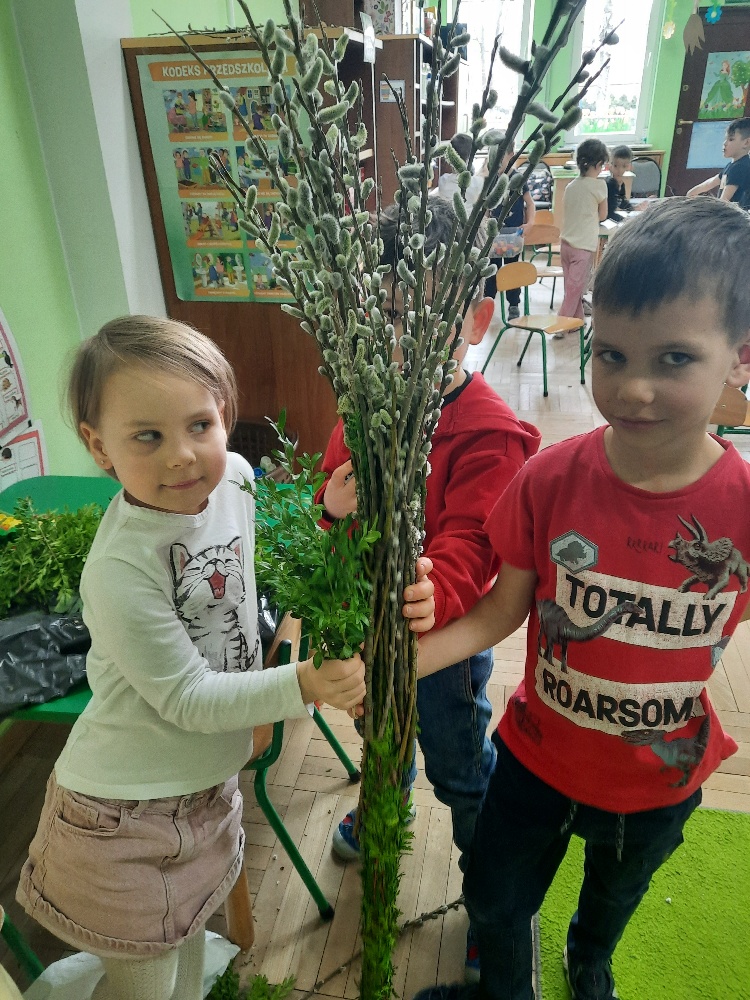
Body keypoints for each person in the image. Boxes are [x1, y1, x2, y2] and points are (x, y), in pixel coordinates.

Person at [412, 197, 750, 1000]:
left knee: (613, 897)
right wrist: (399, 664)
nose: (633, 389)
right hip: (534, 760)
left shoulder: (742, 507)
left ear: (740, 359)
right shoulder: (548, 479)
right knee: (494, 898)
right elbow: (501, 612)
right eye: (611, 355)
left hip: (659, 779)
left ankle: (588, 959)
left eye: (673, 359)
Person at [14, 316, 393, 1000]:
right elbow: (188, 698)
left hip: (205, 784)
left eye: (199, 425)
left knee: (190, 948)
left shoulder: (237, 479)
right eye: (148, 436)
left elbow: (259, 566)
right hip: (123, 811)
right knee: (146, 983)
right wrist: (304, 683)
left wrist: (329, 514)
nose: (183, 457)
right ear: (99, 447)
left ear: (224, 414)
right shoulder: (121, 569)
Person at [320, 198, 542, 981]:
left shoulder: (486, 429)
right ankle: (385, 797)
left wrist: (434, 586)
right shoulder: (364, 403)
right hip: (367, 628)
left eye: (426, 322)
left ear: (475, 320)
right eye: (387, 318)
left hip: (440, 647)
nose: (402, 341)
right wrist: (329, 504)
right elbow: (332, 481)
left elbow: (476, 540)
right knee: (378, 733)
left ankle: (489, 899)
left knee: (460, 767)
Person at [484, 140, 536, 320]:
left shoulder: (518, 179)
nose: (496, 163)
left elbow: (530, 204)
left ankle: (514, 304)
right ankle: (488, 302)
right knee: (492, 270)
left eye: (500, 158)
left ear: (511, 155)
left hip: (514, 234)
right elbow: (486, 207)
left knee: (513, 268)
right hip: (494, 235)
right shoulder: (491, 179)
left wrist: (530, 223)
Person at [558, 139, 608, 324]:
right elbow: (603, 215)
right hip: (583, 247)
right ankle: (560, 325)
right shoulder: (599, 186)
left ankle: (577, 321)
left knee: (572, 289)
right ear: (598, 164)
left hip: (565, 244)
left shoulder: (570, 186)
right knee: (574, 291)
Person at [687, 117, 750, 210]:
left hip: (735, 216)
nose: (725, 143)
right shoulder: (732, 166)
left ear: (746, 143)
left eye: (731, 139)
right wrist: (692, 192)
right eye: (725, 139)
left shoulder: (740, 167)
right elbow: (711, 182)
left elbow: (724, 201)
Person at [438, 133, 486, 209]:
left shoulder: (443, 180)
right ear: (471, 156)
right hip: (469, 217)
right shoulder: (478, 183)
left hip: (445, 216)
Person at [605, 144, 634, 221]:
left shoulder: (622, 184)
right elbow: (610, 213)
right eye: (615, 166)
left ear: (630, 167)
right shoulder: (610, 185)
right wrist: (626, 219)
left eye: (624, 166)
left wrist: (634, 208)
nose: (620, 170)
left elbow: (622, 204)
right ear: (609, 166)